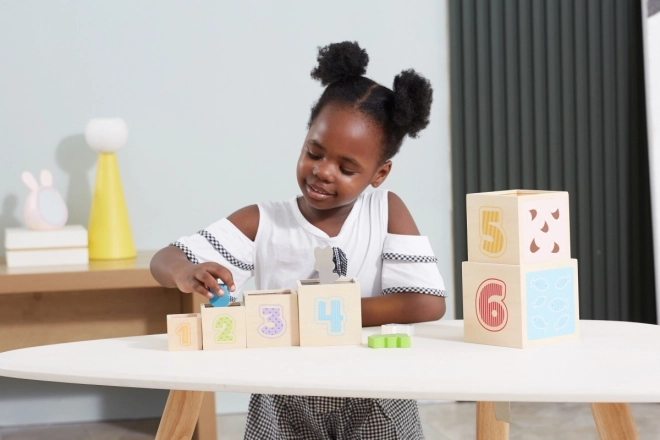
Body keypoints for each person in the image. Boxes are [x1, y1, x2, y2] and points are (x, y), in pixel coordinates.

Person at [150, 41, 446, 440]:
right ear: (305, 137)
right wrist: (187, 271)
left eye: (346, 167)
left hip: (375, 389)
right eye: (315, 152)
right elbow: (164, 259)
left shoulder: (386, 212)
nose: (323, 172)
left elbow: (426, 302)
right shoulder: (264, 221)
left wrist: (319, 314)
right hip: (283, 394)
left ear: (379, 173)